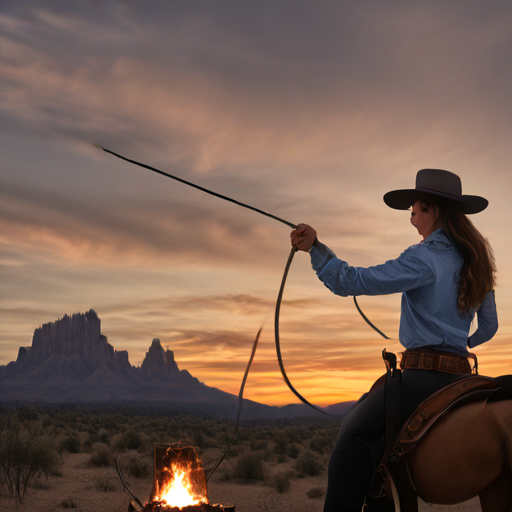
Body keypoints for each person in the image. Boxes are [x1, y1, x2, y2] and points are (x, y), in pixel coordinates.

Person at [290, 169, 498, 512]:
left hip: (423, 378)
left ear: (430, 209)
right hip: (463, 378)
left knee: (352, 433)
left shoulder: (424, 257)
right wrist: (461, 342)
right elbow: (489, 328)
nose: (411, 212)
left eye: (414, 206)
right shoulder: (475, 259)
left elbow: (350, 281)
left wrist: (315, 248)